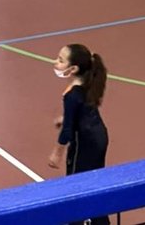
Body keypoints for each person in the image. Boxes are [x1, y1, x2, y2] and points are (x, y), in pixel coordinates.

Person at [48, 43, 110, 225]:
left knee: (76, 184)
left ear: (73, 69)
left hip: (85, 143)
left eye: (61, 60)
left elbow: (67, 131)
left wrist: (56, 153)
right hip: (99, 136)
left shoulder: (71, 95)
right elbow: (83, 111)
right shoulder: (86, 83)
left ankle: (78, 221)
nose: (55, 62)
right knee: (95, 180)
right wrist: (65, 118)